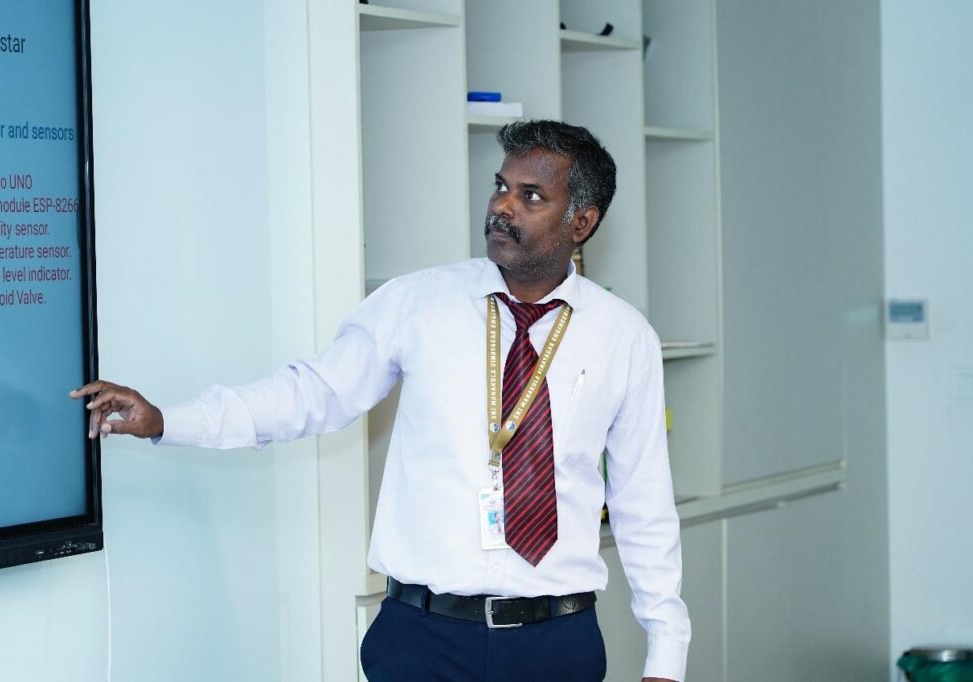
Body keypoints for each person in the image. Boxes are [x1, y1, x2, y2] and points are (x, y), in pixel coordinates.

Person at [72, 120, 691, 681]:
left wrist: (666, 656)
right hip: (424, 641)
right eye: (501, 187)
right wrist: (168, 420)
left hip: (555, 643)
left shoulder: (624, 337)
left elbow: (643, 502)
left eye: (531, 196)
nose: (502, 206)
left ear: (581, 222)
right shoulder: (416, 303)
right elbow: (311, 394)